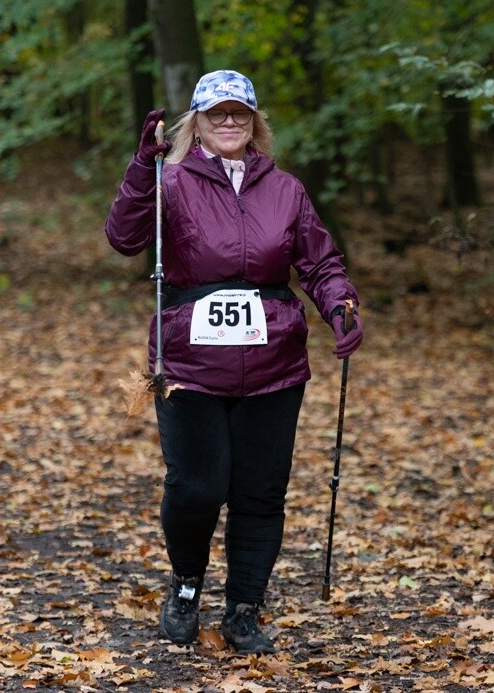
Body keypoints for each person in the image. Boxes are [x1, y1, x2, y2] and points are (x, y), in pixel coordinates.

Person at [105, 70, 365, 655]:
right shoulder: (169, 180)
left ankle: (244, 609)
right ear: (196, 123)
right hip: (190, 364)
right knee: (197, 487)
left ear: (254, 122)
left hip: (274, 365)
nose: (229, 122)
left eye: (239, 113)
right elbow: (123, 237)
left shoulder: (285, 189)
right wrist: (141, 169)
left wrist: (340, 306)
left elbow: (320, 263)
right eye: (216, 113)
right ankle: (186, 587)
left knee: (260, 492)